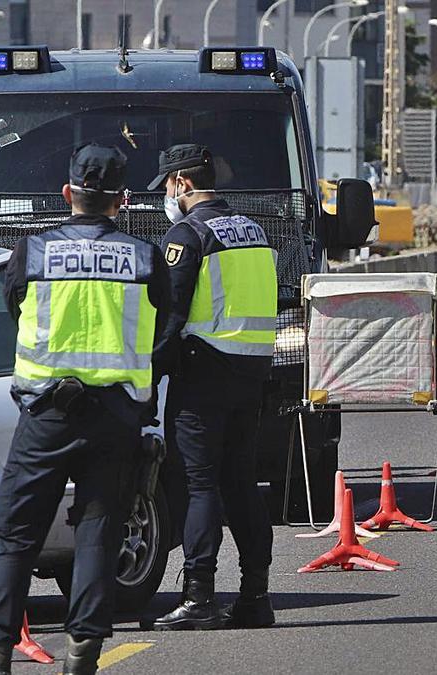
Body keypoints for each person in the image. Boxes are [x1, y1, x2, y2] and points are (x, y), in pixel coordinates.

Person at [0, 144, 170, 675]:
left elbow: (17, 311)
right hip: (115, 417)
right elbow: (162, 327)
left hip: (45, 416)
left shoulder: (32, 251)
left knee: (15, 534)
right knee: (99, 534)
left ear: (68, 194)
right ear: (121, 200)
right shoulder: (145, 257)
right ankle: (83, 654)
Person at [149, 144, 278, 631]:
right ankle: (255, 596)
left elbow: (171, 312)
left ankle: (199, 594)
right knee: (241, 483)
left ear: (182, 183)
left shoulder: (188, 234)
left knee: (201, 485)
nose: (165, 194)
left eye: (166, 185)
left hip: (203, 374)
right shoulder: (254, 230)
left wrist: (150, 373)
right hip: (251, 374)